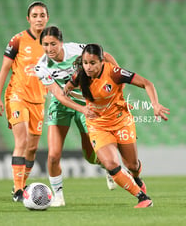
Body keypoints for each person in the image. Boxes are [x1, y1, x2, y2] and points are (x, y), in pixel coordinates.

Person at [62, 44, 169, 208]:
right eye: (85, 63)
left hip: (121, 122)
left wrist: (155, 104)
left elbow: (147, 83)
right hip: (98, 126)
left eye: (92, 63)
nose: (88, 67)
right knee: (110, 164)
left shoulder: (114, 73)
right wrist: (81, 106)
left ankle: (136, 178)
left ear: (101, 61)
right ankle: (142, 198)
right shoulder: (79, 75)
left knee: (132, 165)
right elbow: (66, 90)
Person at [35, 26, 123, 207]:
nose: (50, 48)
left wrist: (116, 75)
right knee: (53, 155)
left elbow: (104, 56)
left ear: (61, 42)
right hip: (62, 106)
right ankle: (58, 197)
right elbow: (60, 95)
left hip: (85, 104)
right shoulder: (41, 66)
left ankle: (107, 166)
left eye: (53, 44)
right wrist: (80, 109)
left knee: (90, 156)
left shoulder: (77, 50)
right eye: (45, 45)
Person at [0, 1, 49, 202]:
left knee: (32, 148)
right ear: (28, 19)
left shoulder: (50, 43)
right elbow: (4, 70)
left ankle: (22, 185)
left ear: (47, 18)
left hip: (38, 100)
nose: (39, 18)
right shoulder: (18, 40)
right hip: (17, 95)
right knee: (22, 141)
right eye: (35, 15)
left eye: (42, 15)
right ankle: (17, 191)